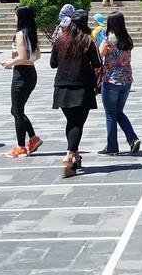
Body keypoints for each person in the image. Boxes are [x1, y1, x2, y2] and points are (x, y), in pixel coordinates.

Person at [51, 13, 102, 178]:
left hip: (62, 85)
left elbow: (53, 64)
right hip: (82, 85)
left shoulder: (60, 40)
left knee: (71, 121)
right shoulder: (88, 40)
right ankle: (69, 155)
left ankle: (76, 156)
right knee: (77, 122)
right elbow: (97, 63)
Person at [1, 5, 43, 158]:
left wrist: (10, 63)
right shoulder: (31, 33)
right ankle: (33, 138)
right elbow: (36, 56)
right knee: (16, 110)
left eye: (16, 15)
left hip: (21, 75)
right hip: (31, 73)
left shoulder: (20, 34)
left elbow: (22, 58)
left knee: (17, 111)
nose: (14, 17)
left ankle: (20, 146)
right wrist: (22, 58)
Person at [98, 11, 142, 156]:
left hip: (111, 79)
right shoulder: (127, 39)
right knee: (118, 112)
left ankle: (112, 146)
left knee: (110, 114)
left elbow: (99, 56)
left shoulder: (108, 40)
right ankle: (132, 138)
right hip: (126, 80)